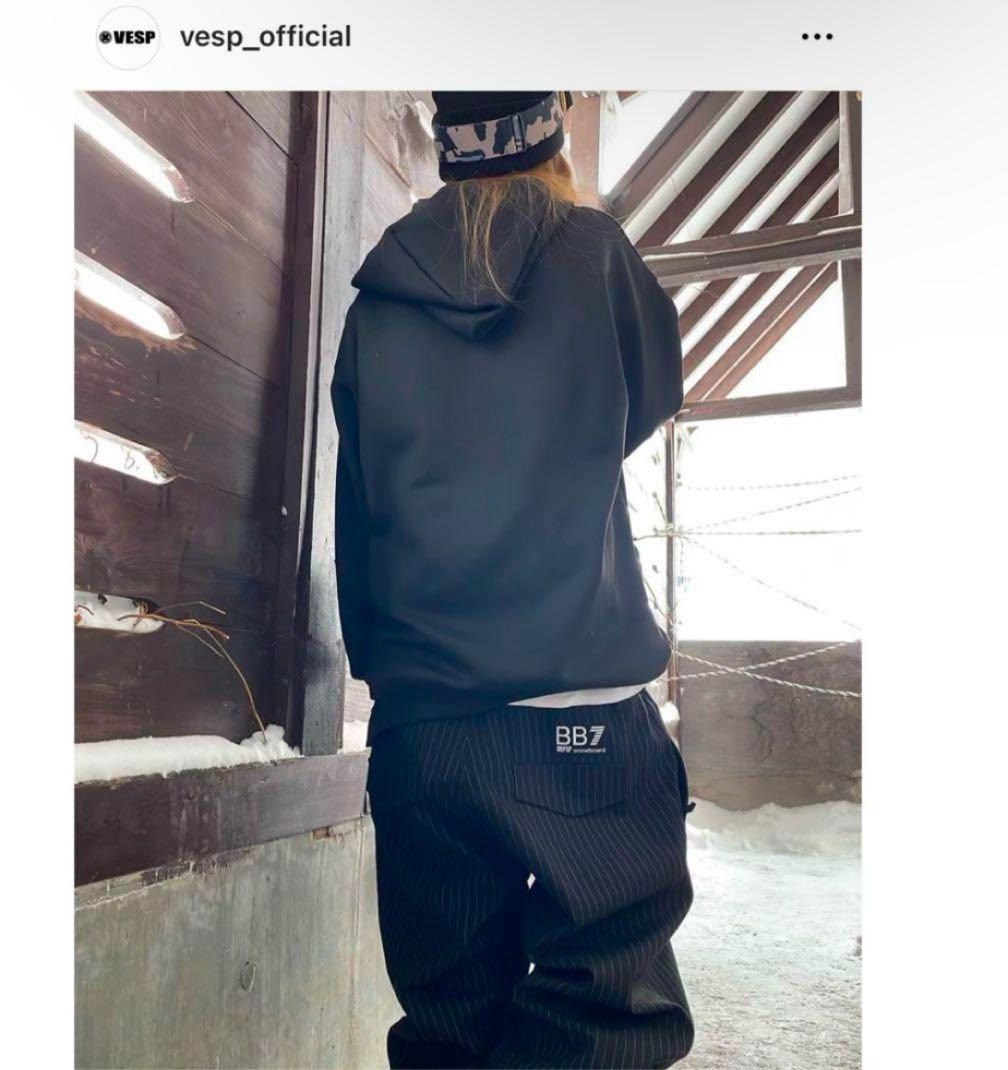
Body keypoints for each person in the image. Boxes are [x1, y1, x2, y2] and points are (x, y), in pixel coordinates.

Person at [332, 90, 694, 1069]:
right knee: (603, 1007)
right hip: (577, 713)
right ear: (554, 136)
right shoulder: (595, 253)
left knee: (447, 1022)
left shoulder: (377, 305)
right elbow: (648, 394)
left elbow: (363, 498)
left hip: (425, 726)